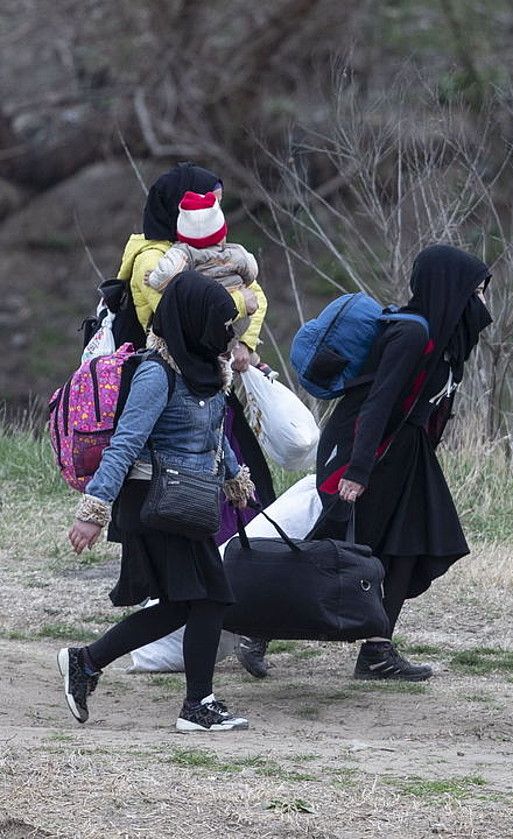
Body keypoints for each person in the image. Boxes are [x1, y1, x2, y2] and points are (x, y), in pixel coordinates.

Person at [241, 244, 493, 682]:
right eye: (478, 291)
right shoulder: (413, 334)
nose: (484, 303)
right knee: (331, 550)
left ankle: (378, 649)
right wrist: (357, 471)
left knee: (408, 547)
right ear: (452, 289)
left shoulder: (444, 342)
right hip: (364, 453)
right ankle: (255, 628)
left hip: (406, 456)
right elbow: (377, 404)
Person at [59, 272, 255, 733]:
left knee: (179, 604)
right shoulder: (155, 372)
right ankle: (197, 705)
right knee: (212, 598)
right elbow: (125, 444)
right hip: (154, 502)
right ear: (193, 321)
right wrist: (92, 511)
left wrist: (236, 479)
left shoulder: (208, 369)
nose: (226, 333)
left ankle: (86, 662)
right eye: (219, 323)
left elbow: (213, 435)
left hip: (186, 500)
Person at [116, 163, 277, 541]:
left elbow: (258, 297)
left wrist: (244, 342)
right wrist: (241, 300)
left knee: (241, 470)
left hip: (206, 378)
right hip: (172, 386)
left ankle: (237, 556)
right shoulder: (154, 260)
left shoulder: (198, 252)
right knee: (185, 483)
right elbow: (189, 313)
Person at [145, 190, 260, 349]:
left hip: (202, 317)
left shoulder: (183, 253)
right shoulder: (236, 253)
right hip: (237, 316)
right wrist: (241, 282)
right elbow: (252, 272)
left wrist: (152, 279)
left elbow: (166, 275)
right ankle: (225, 351)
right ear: (222, 234)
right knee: (232, 334)